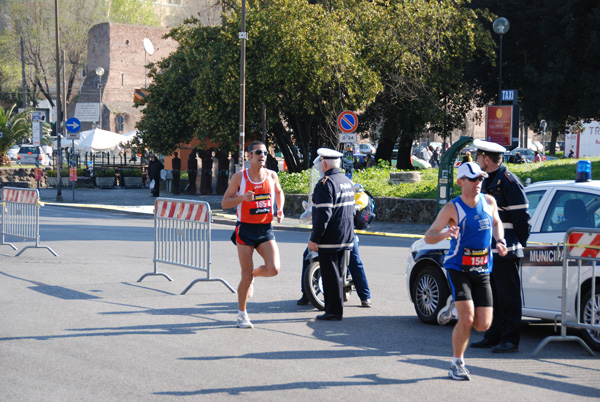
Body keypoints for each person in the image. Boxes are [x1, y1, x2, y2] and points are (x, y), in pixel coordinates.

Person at [425, 162, 507, 381]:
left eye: (480, 179)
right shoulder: (452, 208)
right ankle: (456, 363)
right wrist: (445, 233)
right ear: (461, 182)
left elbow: (497, 222)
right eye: (473, 179)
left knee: (483, 324)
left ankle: (453, 305)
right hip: (458, 267)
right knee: (467, 318)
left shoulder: (489, 201)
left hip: (482, 269)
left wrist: (500, 240)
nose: (478, 183)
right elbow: (429, 236)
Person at [470, 139, 530, 353]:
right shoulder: (486, 180)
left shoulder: (508, 181)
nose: (477, 160)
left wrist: (519, 243)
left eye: (478, 157)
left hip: (506, 249)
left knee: (508, 296)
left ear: (487, 159)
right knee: (492, 295)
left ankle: (510, 339)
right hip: (489, 250)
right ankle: (493, 335)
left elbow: (521, 216)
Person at [221, 141, 285, 329]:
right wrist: (242, 198)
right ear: (249, 156)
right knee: (245, 275)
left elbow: (280, 192)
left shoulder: (272, 175)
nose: (262, 155)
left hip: (265, 229)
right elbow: (225, 203)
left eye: (265, 152)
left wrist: (280, 209)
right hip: (245, 230)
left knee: (274, 269)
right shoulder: (239, 178)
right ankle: (242, 314)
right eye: (258, 152)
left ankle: (254, 276)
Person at [308, 148, 355, 321]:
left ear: (324, 164)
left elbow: (323, 215)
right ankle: (336, 307)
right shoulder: (345, 181)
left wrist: (314, 238)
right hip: (345, 235)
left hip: (330, 238)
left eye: (321, 164)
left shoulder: (325, 183)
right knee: (339, 274)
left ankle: (333, 311)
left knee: (330, 275)